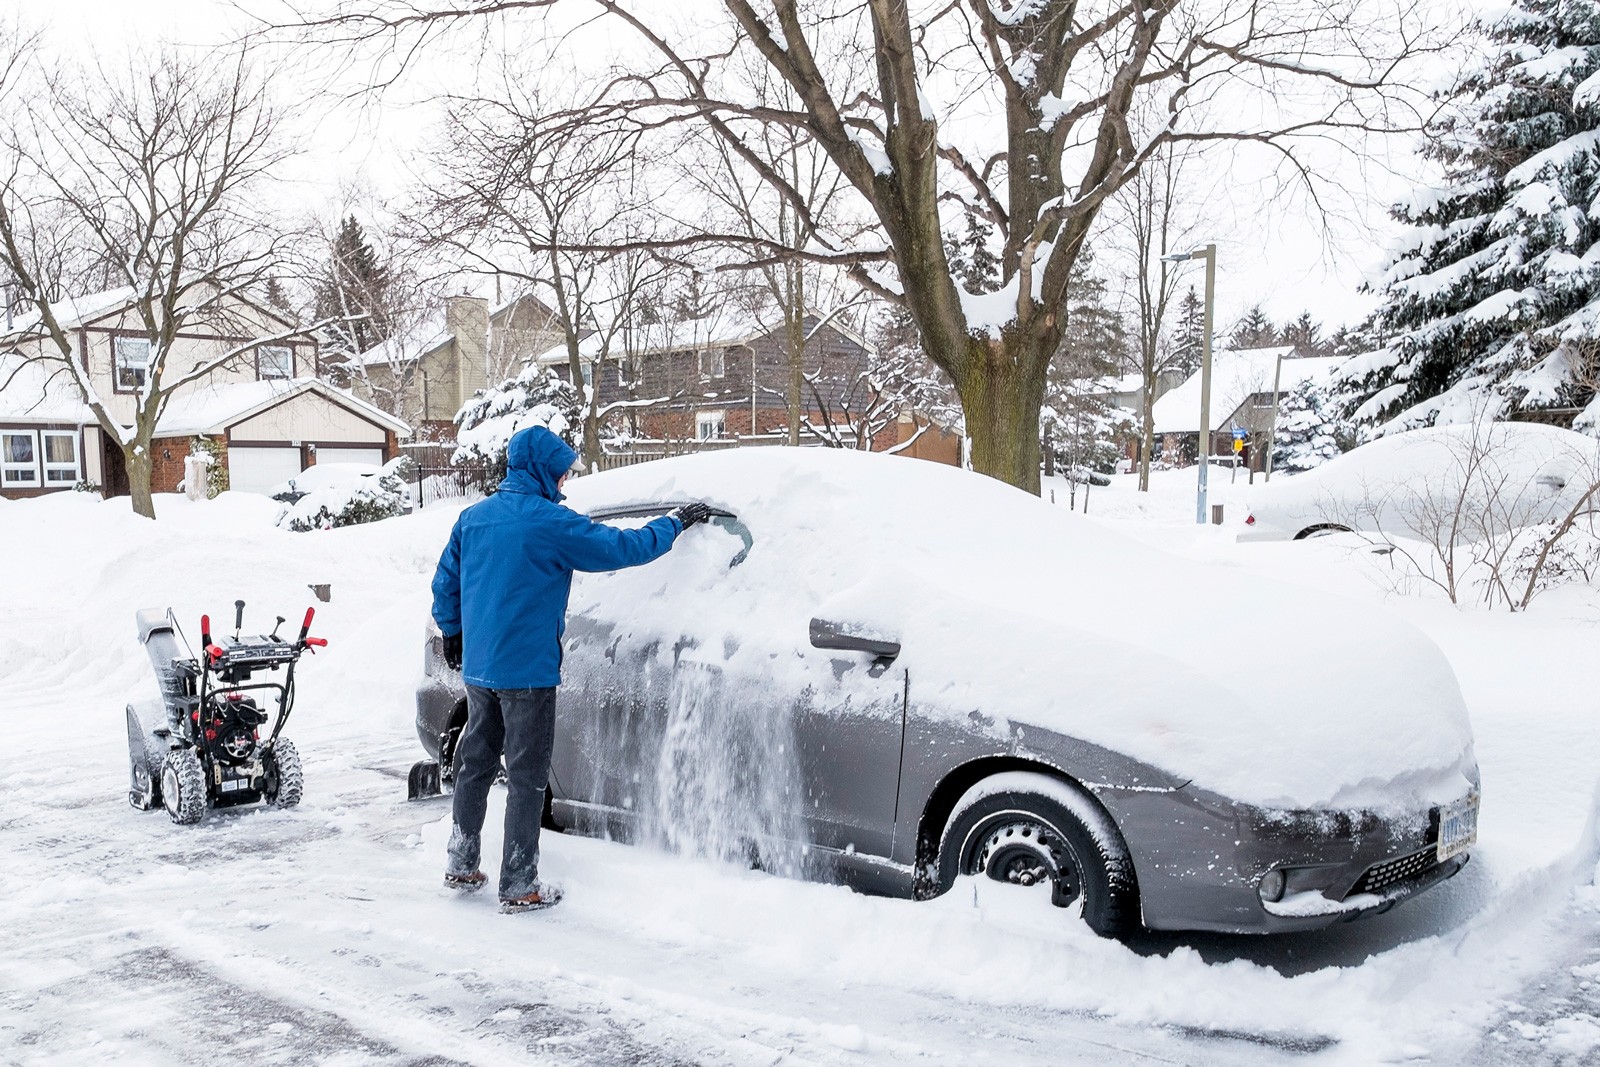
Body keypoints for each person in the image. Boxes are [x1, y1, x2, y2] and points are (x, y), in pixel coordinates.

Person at [430, 425, 712, 914]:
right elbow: (626, 549)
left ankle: (461, 859)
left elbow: (445, 583)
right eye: (560, 473)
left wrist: (454, 632)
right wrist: (675, 523)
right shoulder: (551, 523)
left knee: (475, 763)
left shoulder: (472, 519)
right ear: (541, 469)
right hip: (529, 673)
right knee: (526, 776)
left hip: (480, 669)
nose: (564, 483)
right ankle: (518, 885)